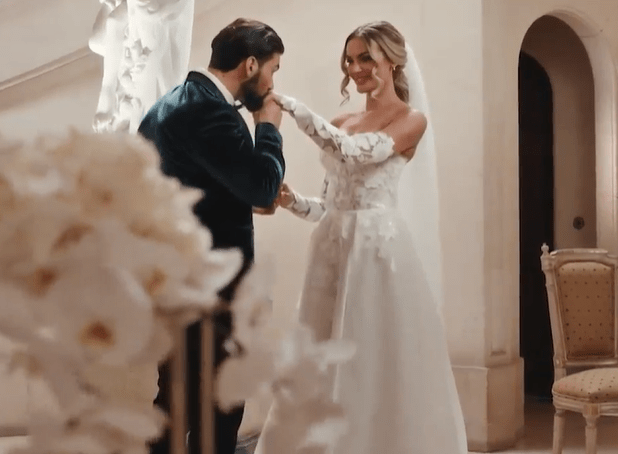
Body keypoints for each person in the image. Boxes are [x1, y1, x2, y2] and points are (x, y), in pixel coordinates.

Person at [254, 21, 468, 453]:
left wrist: (292, 109)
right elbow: (331, 206)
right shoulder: (340, 120)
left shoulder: (411, 120)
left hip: (377, 251)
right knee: (319, 357)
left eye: (366, 58)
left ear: (391, 60)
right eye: (350, 60)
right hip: (332, 249)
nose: (355, 68)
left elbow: (358, 152)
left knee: (372, 357)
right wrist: (294, 200)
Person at [137, 18, 285, 454]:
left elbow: (207, 190)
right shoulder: (210, 113)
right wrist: (269, 127)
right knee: (220, 408)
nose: (274, 81)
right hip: (212, 290)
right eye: (274, 69)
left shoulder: (168, 106)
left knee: (173, 403)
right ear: (251, 64)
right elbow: (261, 185)